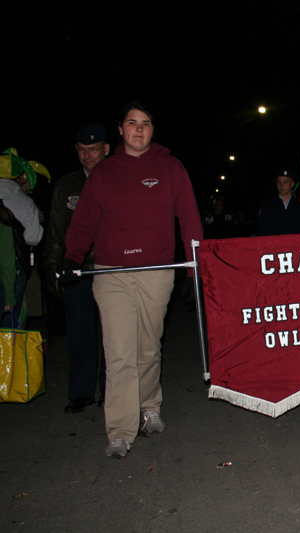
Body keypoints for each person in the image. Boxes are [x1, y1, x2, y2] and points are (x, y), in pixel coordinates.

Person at [61, 102, 203, 458]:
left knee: (148, 347)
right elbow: (84, 223)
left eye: (146, 124)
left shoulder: (171, 167)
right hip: (112, 275)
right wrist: (70, 258)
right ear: (120, 130)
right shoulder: (104, 173)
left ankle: (149, 405)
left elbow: (189, 218)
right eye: (132, 123)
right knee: (119, 353)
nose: (139, 129)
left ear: (152, 130)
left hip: (156, 273)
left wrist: (193, 268)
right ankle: (120, 431)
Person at [43, 123, 109, 413]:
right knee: (80, 335)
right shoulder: (67, 185)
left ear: (105, 149)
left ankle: (112, 391)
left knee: (113, 336)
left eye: (93, 149)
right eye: (82, 150)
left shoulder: (118, 179)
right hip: (77, 273)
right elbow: (55, 232)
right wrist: (51, 271)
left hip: (109, 270)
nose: (88, 156)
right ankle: (81, 393)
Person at [0, 148, 48, 326]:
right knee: (9, 321)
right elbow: (33, 238)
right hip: (13, 267)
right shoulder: (25, 202)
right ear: (20, 177)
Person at [256, 168, 300, 236]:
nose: (282, 185)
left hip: (294, 245)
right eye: (279, 182)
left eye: (285, 182)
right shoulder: (268, 206)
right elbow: (261, 232)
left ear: (292, 184)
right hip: (274, 245)